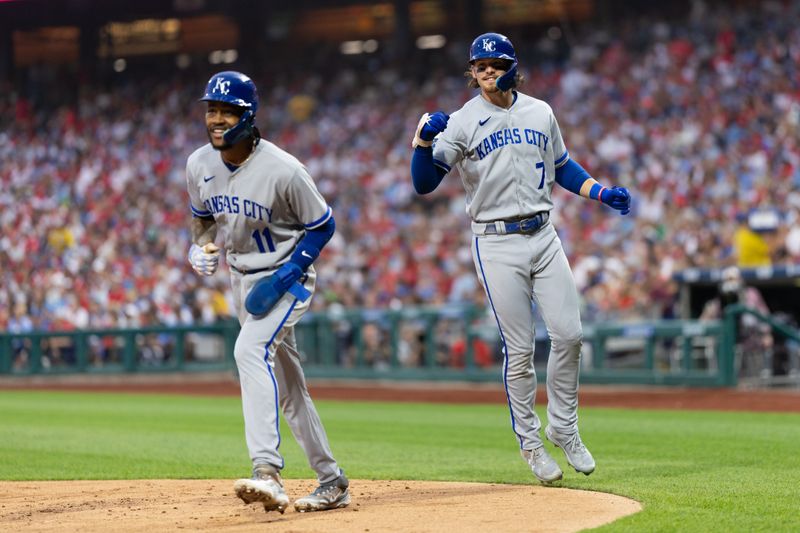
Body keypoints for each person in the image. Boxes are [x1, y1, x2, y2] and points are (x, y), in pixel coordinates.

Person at [410, 33, 631, 484]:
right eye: (479, 65)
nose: (487, 71)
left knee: (569, 335)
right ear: (471, 73)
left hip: (543, 233)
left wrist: (601, 192)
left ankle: (564, 428)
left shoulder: (540, 111)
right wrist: (420, 143)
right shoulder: (461, 121)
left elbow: (563, 166)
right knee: (521, 349)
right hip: (495, 241)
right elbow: (424, 183)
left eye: (495, 63)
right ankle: (531, 443)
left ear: (513, 66)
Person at [186, 71, 349, 513]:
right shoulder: (199, 164)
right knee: (290, 390)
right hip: (242, 280)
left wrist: (290, 272)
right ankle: (332, 480)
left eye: (227, 112)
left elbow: (322, 225)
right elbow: (202, 218)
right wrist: (200, 247)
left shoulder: (284, 169)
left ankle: (266, 472)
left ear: (248, 116)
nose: (217, 119)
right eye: (212, 111)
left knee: (248, 352)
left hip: (286, 277)